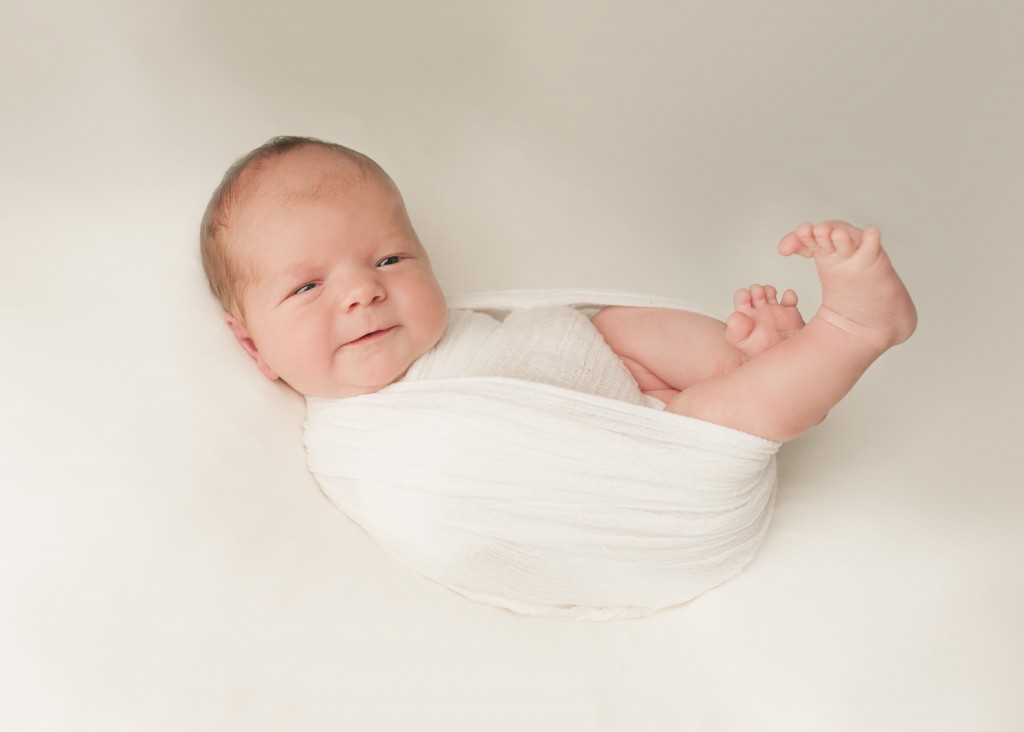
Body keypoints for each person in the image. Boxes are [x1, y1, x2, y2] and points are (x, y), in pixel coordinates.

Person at [200, 136, 916, 442]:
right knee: (703, 422)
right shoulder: (360, 440)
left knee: (614, 325)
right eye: (307, 288)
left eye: (389, 260)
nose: (362, 293)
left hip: (609, 379)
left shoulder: (475, 335)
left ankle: (759, 368)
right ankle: (849, 332)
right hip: (631, 446)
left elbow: (571, 348)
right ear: (253, 346)